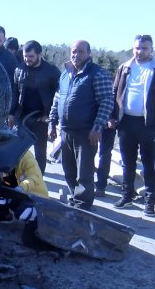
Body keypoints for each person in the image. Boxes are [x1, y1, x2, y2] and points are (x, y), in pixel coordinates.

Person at [48, 40, 114, 210]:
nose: (76, 55)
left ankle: (83, 206)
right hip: (65, 131)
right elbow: (57, 99)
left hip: (86, 132)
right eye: (74, 51)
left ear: (89, 53)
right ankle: (75, 200)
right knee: (69, 170)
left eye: (81, 52)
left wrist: (97, 127)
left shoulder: (97, 74)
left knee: (84, 173)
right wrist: (52, 122)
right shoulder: (65, 74)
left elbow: (106, 102)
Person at [111, 34, 155, 216]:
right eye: (137, 48)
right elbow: (115, 92)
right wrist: (113, 116)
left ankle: (149, 202)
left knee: (149, 165)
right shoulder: (125, 68)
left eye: (144, 48)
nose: (140, 51)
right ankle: (126, 196)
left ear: (151, 49)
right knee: (127, 162)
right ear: (133, 48)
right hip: (127, 122)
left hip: (150, 124)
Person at [11, 40, 61, 174]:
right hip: (22, 117)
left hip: (41, 119)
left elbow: (59, 95)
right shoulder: (19, 69)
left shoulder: (52, 71)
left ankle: (38, 181)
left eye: (31, 57)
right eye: (25, 57)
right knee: (18, 151)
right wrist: (11, 113)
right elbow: (15, 92)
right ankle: (18, 180)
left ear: (39, 54)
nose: (27, 60)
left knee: (40, 153)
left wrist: (51, 117)